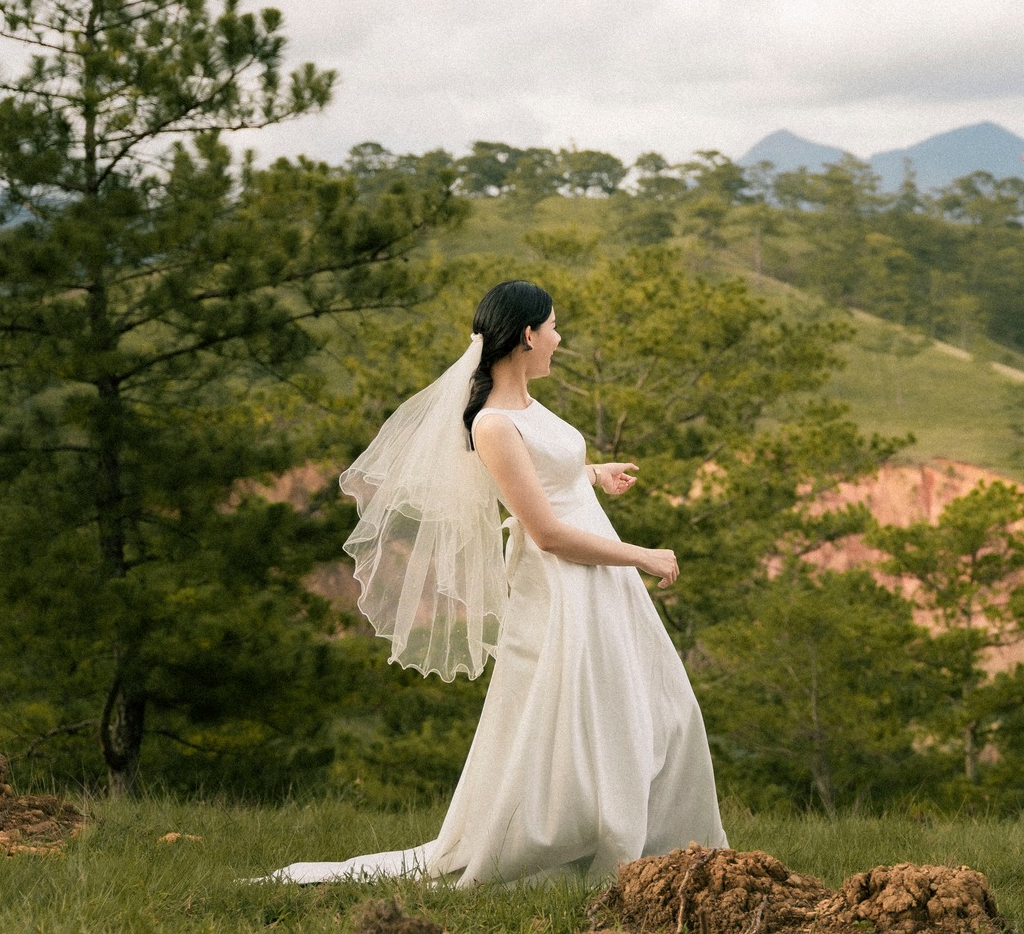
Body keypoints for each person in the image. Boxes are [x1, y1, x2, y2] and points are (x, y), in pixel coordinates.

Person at [266, 280, 726, 885]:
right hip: (565, 586)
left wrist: (593, 472)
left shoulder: (527, 408)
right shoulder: (492, 425)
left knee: (656, 707)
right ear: (528, 335)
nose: (560, 338)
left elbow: (548, 474)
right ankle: (587, 839)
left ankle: (659, 841)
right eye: (553, 327)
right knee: (583, 718)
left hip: (599, 583)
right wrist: (641, 556)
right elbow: (547, 533)